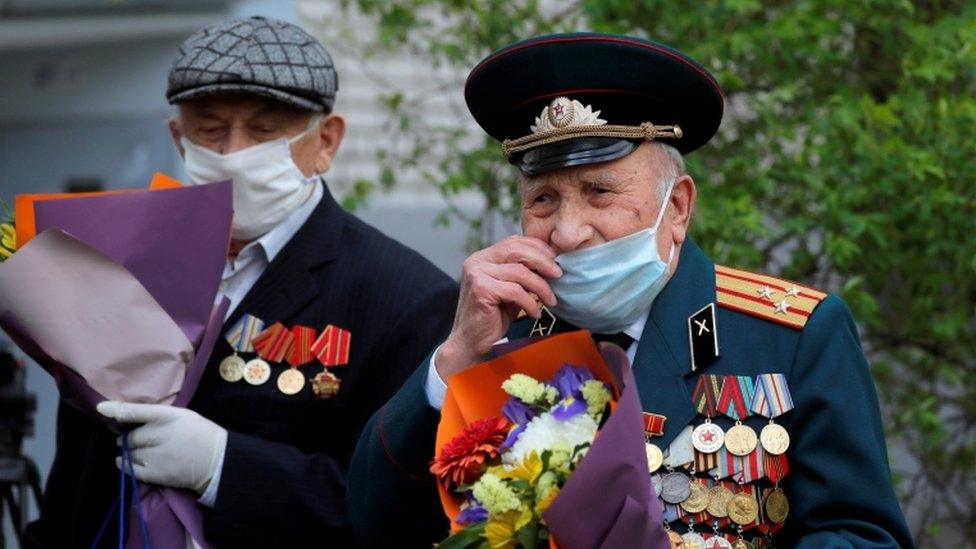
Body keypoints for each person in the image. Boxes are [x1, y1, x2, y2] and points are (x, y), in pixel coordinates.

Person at [348, 33, 913, 548]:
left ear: (679, 208)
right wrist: (451, 366)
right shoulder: (500, 335)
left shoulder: (790, 336)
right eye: (543, 199)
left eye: (599, 191)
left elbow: (864, 535)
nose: (568, 232)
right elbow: (378, 524)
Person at [24, 16, 457, 548]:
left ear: (326, 140)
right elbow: (73, 481)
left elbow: (398, 510)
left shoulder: (404, 298)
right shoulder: (118, 266)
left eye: (264, 130)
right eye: (210, 130)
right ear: (178, 139)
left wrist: (223, 465)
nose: (233, 154)